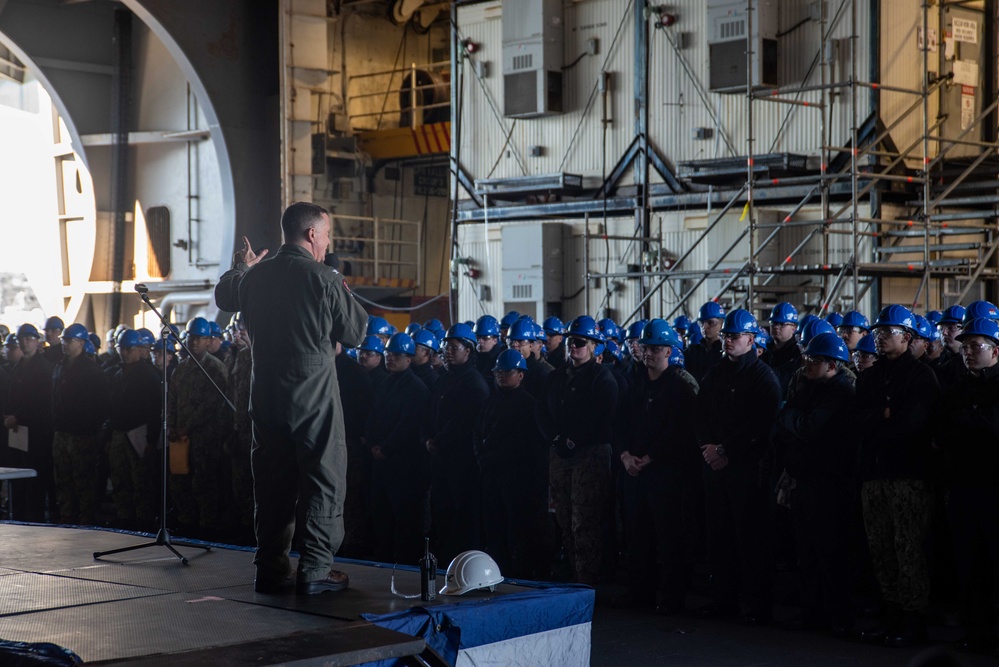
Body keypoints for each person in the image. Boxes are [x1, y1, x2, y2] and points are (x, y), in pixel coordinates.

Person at [214, 201, 368, 595]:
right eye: (328, 234)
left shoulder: (253, 278)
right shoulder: (323, 278)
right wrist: (336, 283)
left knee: (271, 483)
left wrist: (242, 267)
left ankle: (270, 566)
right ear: (313, 234)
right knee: (323, 477)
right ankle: (315, 569)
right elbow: (355, 333)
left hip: (265, 399)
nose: (328, 241)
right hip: (313, 398)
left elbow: (224, 294)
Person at [856, 305, 940, 647]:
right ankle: (891, 616)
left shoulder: (921, 377)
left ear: (906, 337)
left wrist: (879, 420)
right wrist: (884, 415)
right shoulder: (870, 377)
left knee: (909, 549)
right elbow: (857, 422)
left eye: (886, 333)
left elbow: (911, 425)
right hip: (875, 474)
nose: (879, 338)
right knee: (881, 548)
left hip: (908, 474)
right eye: (877, 333)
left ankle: (913, 620)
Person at [695, 309, 780, 625]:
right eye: (727, 335)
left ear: (751, 339)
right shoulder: (716, 373)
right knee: (719, 537)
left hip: (747, 469)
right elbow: (699, 414)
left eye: (736, 336)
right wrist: (708, 448)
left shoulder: (763, 377)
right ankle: (724, 600)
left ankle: (758, 606)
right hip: (716, 467)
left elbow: (760, 424)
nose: (729, 340)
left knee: (751, 539)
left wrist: (724, 449)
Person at [776, 332, 856, 637]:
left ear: (833, 365)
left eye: (815, 359)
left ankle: (839, 617)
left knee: (830, 553)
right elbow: (784, 419)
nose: (807, 363)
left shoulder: (841, 393)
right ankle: (813, 614)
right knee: (807, 551)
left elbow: (807, 427)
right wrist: (795, 420)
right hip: (805, 481)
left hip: (830, 484)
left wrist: (794, 419)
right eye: (807, 357)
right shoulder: (808, 387)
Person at [616, 319, 698, 614]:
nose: (648, 353)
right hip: (634, 472)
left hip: (665, 473)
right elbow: (620, 424)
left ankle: (672, 598)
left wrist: (649, 458)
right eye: (646, 347)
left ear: (668, 351)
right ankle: (641, 592)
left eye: (655, 348)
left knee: (668, 537)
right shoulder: (635, 386)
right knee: (637, 536)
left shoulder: (679, 388)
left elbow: (680, 432)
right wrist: (626, 456)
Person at [931, 318, 999, 654]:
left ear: (996, 351)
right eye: (966, 345)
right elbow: (940, 431)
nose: (968, 352)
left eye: (977, 346)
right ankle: (977, 632)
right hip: (961, 487)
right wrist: (971, 417)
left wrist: (968, 419)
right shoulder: (958, 388)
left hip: (993, 488)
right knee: (968, 565)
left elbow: (992, 425)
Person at [539, 315, 619, 585]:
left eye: (580, 342)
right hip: (560, 454)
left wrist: (575, 440)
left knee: (584, 520)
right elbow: (543, 412)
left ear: (594, 346)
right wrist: (556, 438)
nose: (574, 347)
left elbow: (603, 418)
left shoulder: (602, 378)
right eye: (571, 341)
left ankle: (587, 579)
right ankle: (575, 574)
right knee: (563, 518)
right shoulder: (558, 376)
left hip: (590, 454)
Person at [474, 348, 547, 579]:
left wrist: (490, 457)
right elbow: (477, 431)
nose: (502, 376)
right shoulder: (491, 401)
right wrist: (481, 456)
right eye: (498, 372)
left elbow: (524, 443)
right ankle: (496, 571)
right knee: (493, 527)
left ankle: (520, 574)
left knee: (517, 528)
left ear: (521, 375)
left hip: (516, 477)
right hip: (491, 475)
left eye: (508, 372)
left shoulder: (528, 404)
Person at [422, 322, 490, 563]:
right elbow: (431, 414)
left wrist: (438, 441)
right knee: (442, 512)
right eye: (446, 347)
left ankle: (464, 563)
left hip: (463, 461)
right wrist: (428, 439)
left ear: (468, 350)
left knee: (464, 515)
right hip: (440, 460)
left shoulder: (474, 383)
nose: (448, 351)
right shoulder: (443, 380)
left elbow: (465, 422)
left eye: (455, 347)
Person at [366, 333, 431, 564]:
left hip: (403, 465)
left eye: (397, 355)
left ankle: (404, 565)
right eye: (389, 354)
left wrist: (385, 448)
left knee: (405, 520)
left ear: (409, 359)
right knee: (381, 515)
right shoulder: (385, 383)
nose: (390, 359)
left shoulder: (416, 388)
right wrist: (373, 443)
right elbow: (374, 416)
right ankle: (383, 561)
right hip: (382, 461)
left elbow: (408, 425)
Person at [167, 317, 231, 535]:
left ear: (208, 341)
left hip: (206, 437)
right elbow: (172, 399)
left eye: (200, 338)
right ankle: (187, 522)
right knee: (180, 481)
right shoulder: (181, 368)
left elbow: (212, 404)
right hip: (181, 438)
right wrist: (172, 426)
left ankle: (207, 526)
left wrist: (188, 426)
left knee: (204, 483)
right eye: (192, 337)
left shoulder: (215, 368)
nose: (194, 342)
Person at [51, 323, 111, 525]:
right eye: (64, 340)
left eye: (69, 341)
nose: (65, 344)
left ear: (81, 343)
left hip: (82, 434)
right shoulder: (60, 365)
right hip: (62, 431)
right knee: (63, 477)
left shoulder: (92, 370)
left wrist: (90, 428)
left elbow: (102, 404)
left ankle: (86, 519)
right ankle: (66, 514)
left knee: (83, 479)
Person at [106, 328, 162, 529]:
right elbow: (112, 407)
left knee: (141, 481)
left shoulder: (149, 376)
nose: (125, 353)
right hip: (120, 433)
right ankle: (125, 516)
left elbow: (154, 411)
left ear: (139, 350)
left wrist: (151, 440)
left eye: (130, 349)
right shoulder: (118, 374)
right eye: (122, 348)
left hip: (139, 434)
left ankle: (143, 520)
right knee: (120, 478)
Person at [4, 324, 55, 522]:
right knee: (19, 476)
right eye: (22, 339)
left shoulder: (42, 368)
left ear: (37, 341)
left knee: (35, 478)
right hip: (18, 432)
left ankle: (35, 517)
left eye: (29, 339)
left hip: (36, 433)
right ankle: (20, 515)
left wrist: (18, 417)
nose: (25, 343)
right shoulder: (20, 365)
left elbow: (41, 403)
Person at [761, 302, 801, 401]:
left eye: (782, 324)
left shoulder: (798, 353)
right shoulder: (764, 350)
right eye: (773, 323)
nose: (776, 327)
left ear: (794, 327)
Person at [686, 302, 725, 384]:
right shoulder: (692, 351)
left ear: (722, 324)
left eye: (711, 323)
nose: (704, 327)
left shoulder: (727, 352)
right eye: (701, 323)